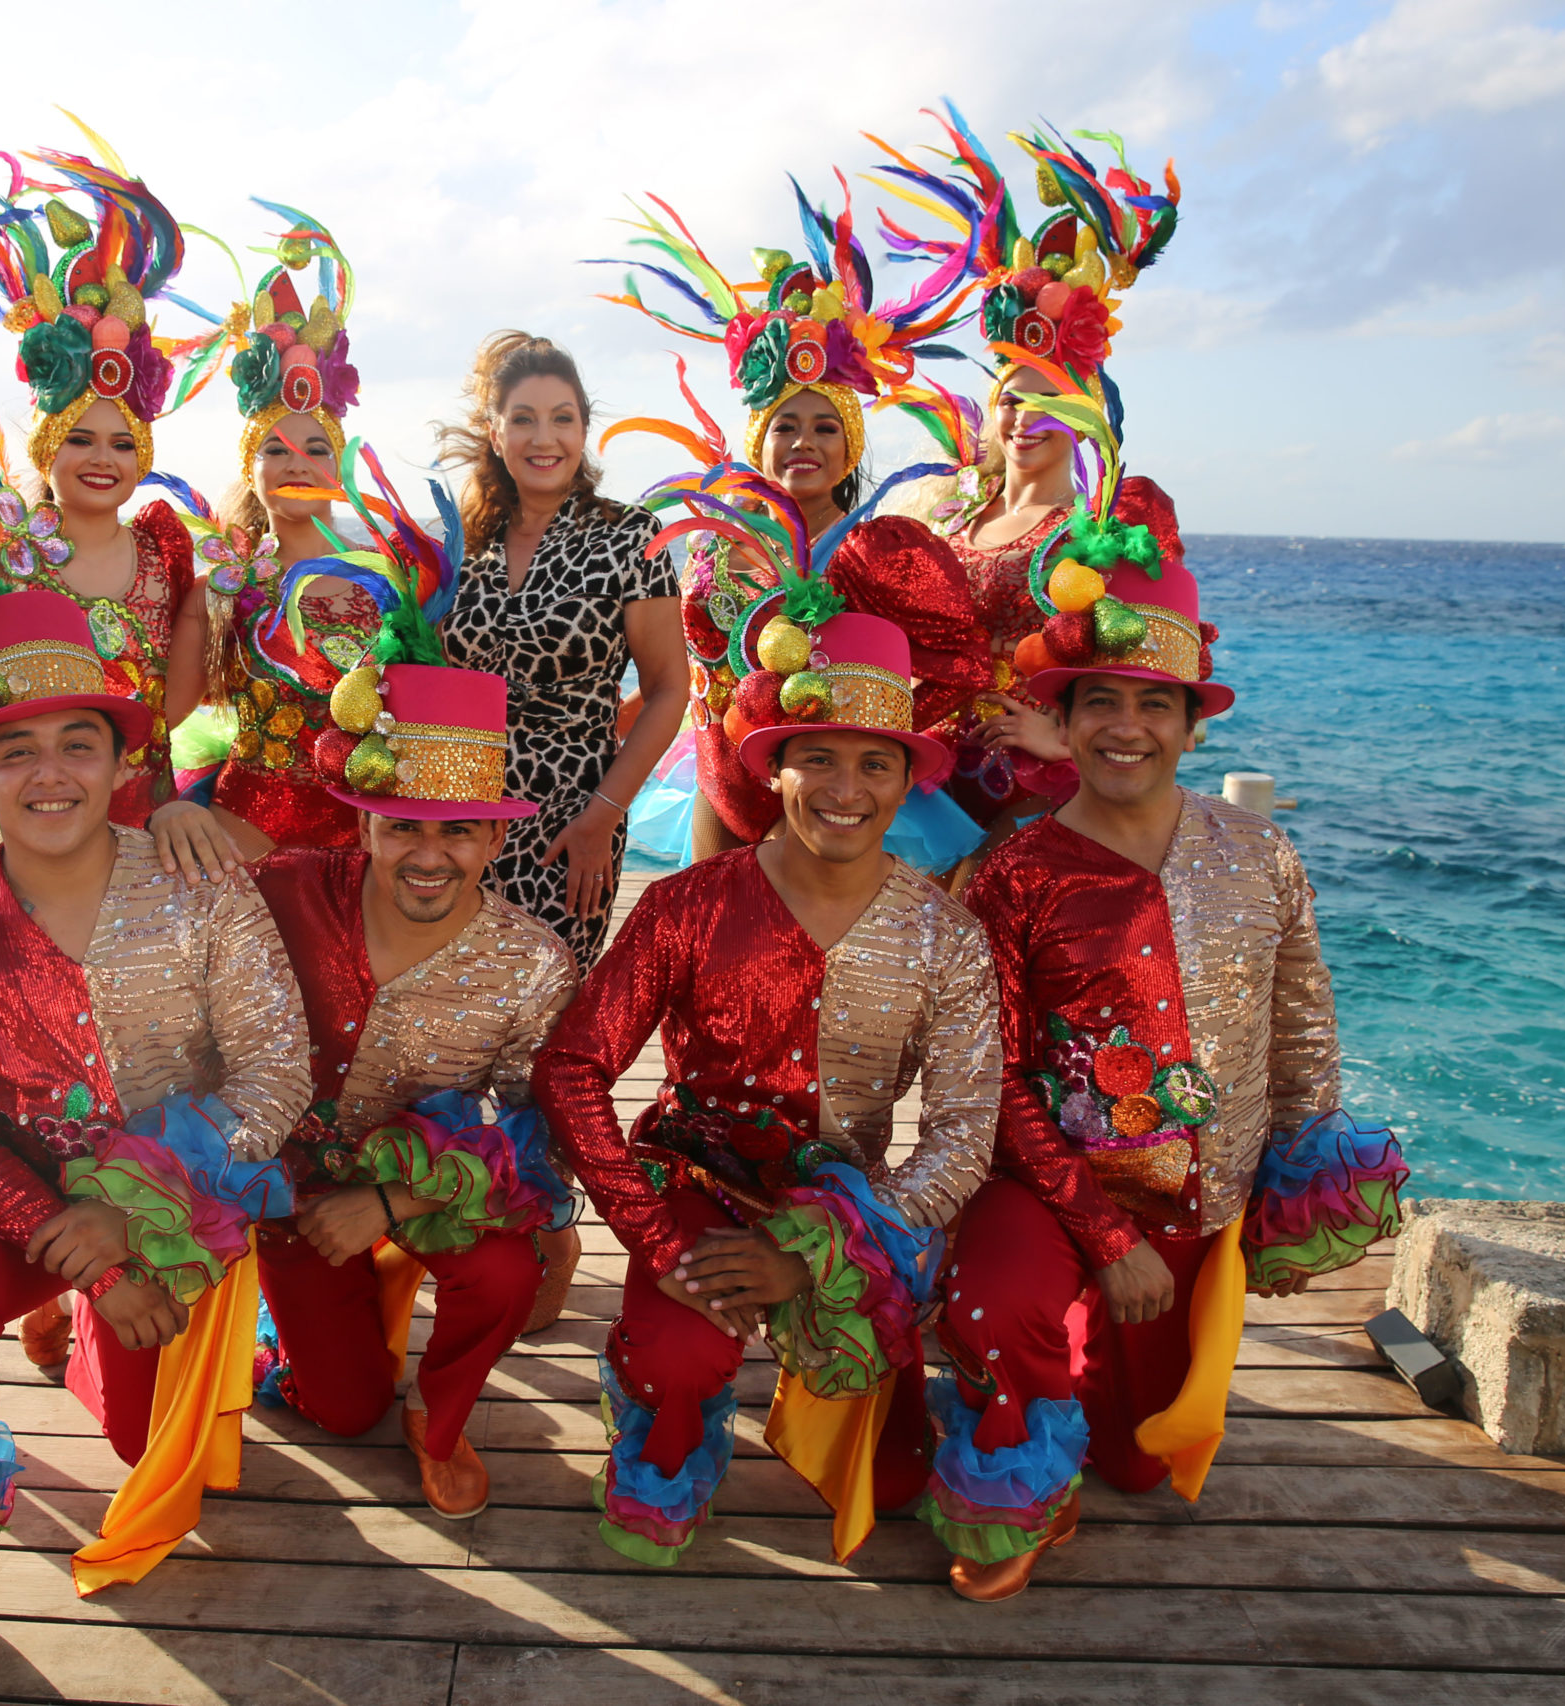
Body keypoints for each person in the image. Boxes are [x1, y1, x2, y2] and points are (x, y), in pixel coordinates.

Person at [0, 586, 311, 1704]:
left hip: (179, 1198)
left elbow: (276, 1070)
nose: (49, 773)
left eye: (77, 743)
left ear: (119, 763)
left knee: (139, 1438)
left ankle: (85, 1323)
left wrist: (136, 1223)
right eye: (15, 748)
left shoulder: (198, 884)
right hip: (11, 1200)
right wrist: (72, 1236)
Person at [921, 545, 1405, 1601]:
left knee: (1141, 1459)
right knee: (998, 1308)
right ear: (1069, 719)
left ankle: (1084, 1363)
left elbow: (1300, 1020)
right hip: (1045, 1190)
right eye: (1100, 701)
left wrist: (1295, 1183)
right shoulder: (1012, 872)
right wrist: (1097, 1229)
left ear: (1193, 724)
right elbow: (982, 1073)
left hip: (1197, 1199)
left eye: (1153, 703)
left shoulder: (1259, 852)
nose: (1126, 725)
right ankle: (1009, 1483)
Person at [531, 607, 1000, 1568]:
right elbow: (572, 1067)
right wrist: (654, 1236)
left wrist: (820, 1252)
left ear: (909, 782)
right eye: (818, 759)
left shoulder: (944, 935)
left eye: (875, 764)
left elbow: (961, 1133)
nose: (845, 788)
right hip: (696, 1191)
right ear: (772, 769)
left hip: (849, 1211)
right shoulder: (685, 905)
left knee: (899, 1479)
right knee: (679, 1355)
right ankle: (656, 1392)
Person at [251, 656, 580, 1518]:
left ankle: (440, 1413)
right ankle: (275, 1323)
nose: (429, 855)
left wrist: (391, 1204)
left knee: (512, 1270)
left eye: (460, 830)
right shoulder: (281, 890)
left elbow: (530, 1136)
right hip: (281, 1192)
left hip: (421, 1189)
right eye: (403, 827)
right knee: (346, 1409)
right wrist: (179, 809)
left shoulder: (535, 962)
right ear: (363, 827)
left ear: (498, 840)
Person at [597, 174, 992, 872]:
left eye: (823, 429)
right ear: (760, 442)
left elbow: (960, 666)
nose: (803, 443)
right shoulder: (719, 545)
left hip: (828, 795)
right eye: (785, 426)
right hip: (721, 779)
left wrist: (878, 738)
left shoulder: (880, 550)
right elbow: (695, 669)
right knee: (718, 936)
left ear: (849, 452)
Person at [0, 132, 217, 891]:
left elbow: (169, 707)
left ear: (141, 457)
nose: (101, 459)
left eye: (120, 443)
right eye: (79, 439)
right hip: (38, 816)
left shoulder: (162, 550)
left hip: (146, 814)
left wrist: (205, 613)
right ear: (45, 449)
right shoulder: (6, 556)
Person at [867, 108, 1187, 846]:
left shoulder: (1102, 529)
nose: (1023, 419)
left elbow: (1150, 679)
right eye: (1011, 398)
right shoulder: (943, 510)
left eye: (1049, 402)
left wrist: (1060, 742)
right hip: (925, 780)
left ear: (1083, 417)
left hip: (1031, 794)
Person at [433, 331, 684, 973]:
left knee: (543, 1014)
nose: (544, 438)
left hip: (569, 823)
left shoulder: (630, 537)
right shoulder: (455, 547)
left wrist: (603, 817)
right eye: (523, 420)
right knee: (447, 1013)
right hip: (455, 820)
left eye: (561, 419)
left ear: (583, 431)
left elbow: (666, 690)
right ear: (495, 434)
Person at [183, 206, 420, 851]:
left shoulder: (390, 579)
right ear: (251, 467)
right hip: (246, 833)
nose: (296, 464)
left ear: (340, 463)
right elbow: (159, 719)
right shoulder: (224, 584)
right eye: (276, 450)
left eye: (316, 450)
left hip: (367, 835)